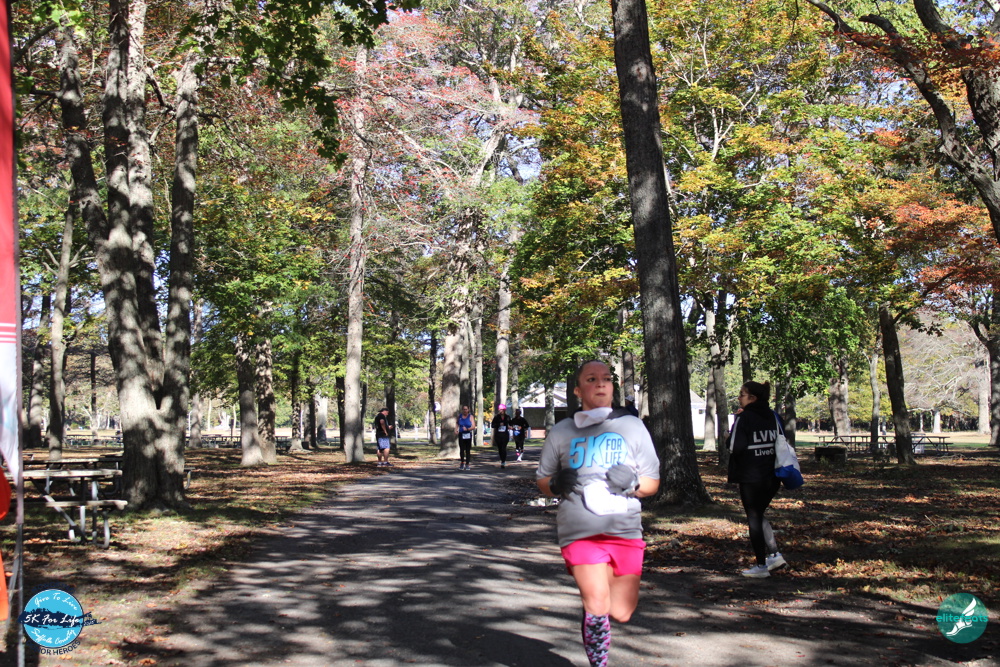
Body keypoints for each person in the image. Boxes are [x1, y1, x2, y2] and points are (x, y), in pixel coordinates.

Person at [536, 360, 660, 667]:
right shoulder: (562, 431)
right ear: (578, 390)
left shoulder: (632, 426)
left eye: (606, 378)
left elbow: (652, 483)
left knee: (621, 611)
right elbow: (543, 481)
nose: (601, 383)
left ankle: (594, 610)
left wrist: (633, 483)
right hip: (579, 528)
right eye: (591, 379)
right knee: (597, 602)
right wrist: (555, 484)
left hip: (624, 529)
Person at [727, 380, 787, 578]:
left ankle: (761, 566)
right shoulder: (773, 416)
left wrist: (730, 433)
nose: (739, 398)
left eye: (742, 394)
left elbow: (734, 447)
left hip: (751, 476)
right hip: (773, 476)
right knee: (758, 514)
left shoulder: (744, 418)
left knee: (753, 517)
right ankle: (775, 555)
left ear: (752, 398)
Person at [490, 403, 513, 468]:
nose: (501, 411)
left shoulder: (507, 417)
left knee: (503, 448)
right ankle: (502, 459)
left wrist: (510, 426)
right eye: (500, 410)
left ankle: (503, 461)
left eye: (502, 409)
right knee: (500, 448)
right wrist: (499, 424)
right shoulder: (496, 417)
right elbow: (492, 425)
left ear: (504, 410)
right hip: (498, 435)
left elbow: (511, 423)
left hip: (505, 435)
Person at [456, 405, 475, 470]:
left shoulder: (470, 417)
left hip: (468, 434)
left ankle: (467, 464)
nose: (465, 411)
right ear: (462, 410)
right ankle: (462, 463)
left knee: (467, 450)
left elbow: (473, 426)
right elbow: (457, 423)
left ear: (468, 410)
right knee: (461, 449)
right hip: (461, 434)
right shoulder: (460, 416)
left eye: (466, 409)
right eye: (464, 409)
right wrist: (456, 429)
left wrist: (467, 429)